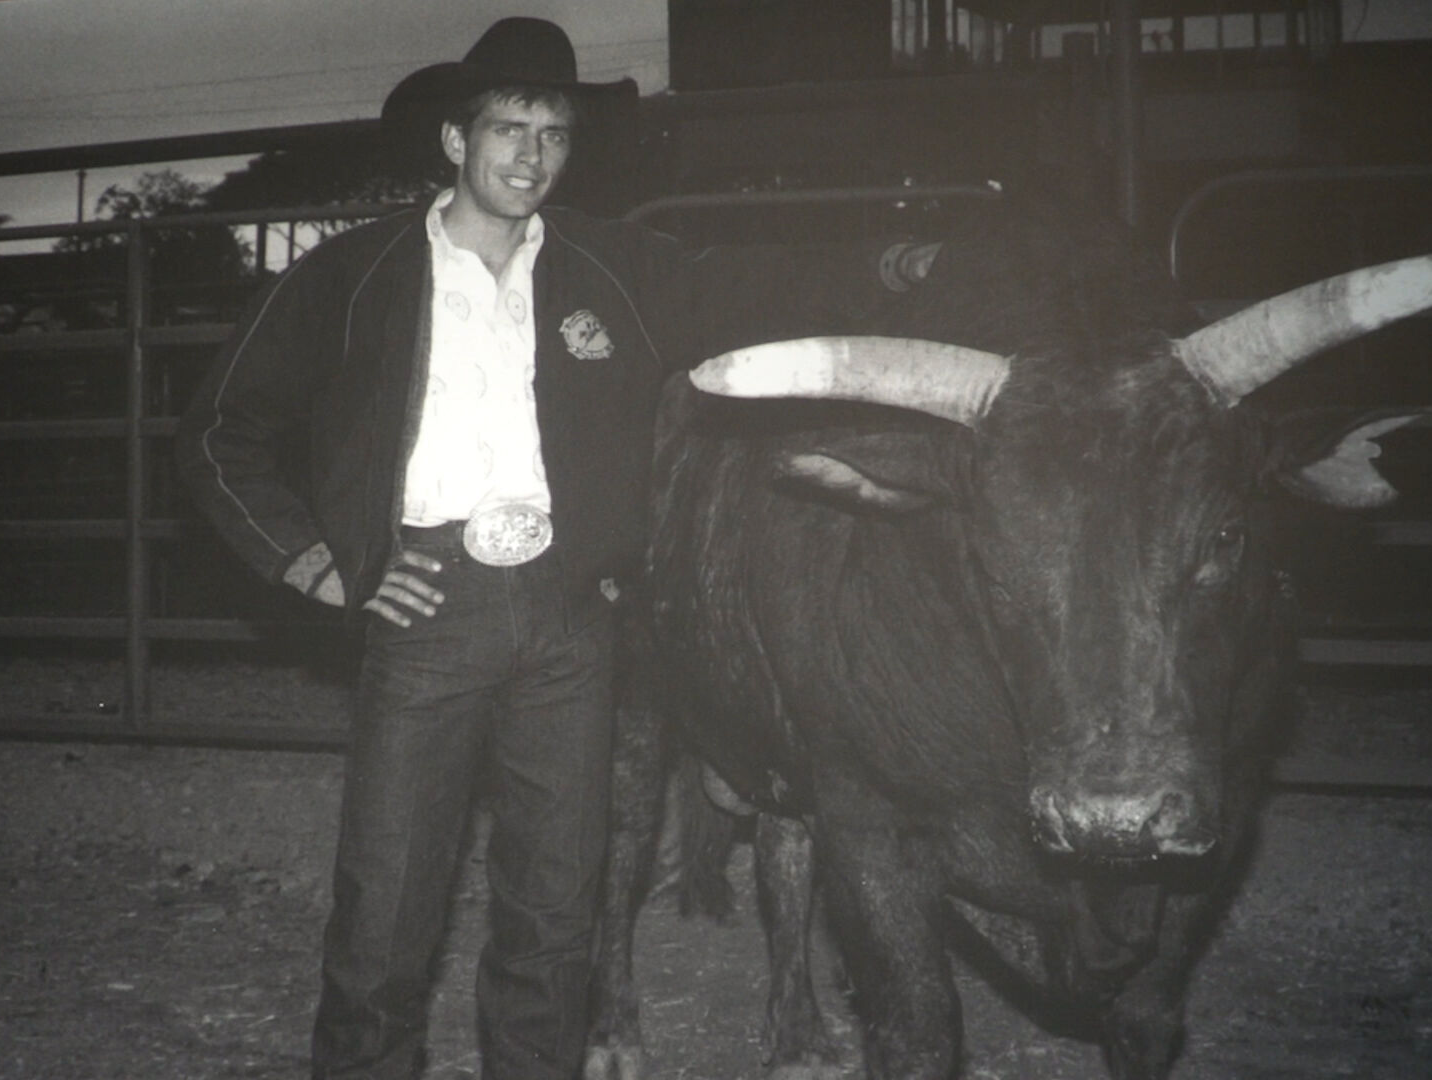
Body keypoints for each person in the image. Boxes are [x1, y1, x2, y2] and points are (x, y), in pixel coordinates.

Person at [173, 17, 937, 1080]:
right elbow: (220, 433)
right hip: (425, 607)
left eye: (555, 134)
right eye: (508, 129)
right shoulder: (354, 277)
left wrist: (892, 265)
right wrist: (316, 562)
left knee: (555, 910)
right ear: (454, 140)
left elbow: (748, 283)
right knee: (386, 911)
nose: (532, 155)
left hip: (573, 621)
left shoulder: (611, 267)